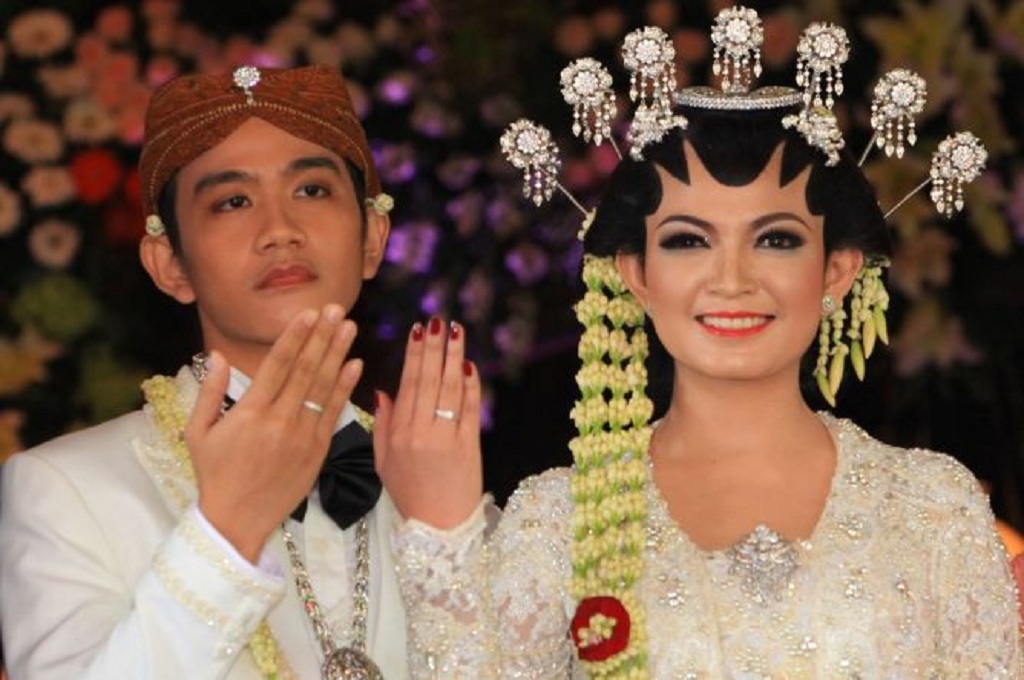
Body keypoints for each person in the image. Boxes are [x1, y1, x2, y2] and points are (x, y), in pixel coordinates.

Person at [372, 9, 1021, 678]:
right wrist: (440, 538)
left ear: (836, 270)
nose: (732, 280)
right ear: (637, 275)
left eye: (776, 240)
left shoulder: (932, 506)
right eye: (688, 241)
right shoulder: (560, 518)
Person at [0, 64, 417, 678]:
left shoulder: (425, 470)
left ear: (372, 238)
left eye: (311, 190)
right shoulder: (66, 489)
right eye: (234, 201)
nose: (280, 231)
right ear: (169, 263)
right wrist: (226, 530)